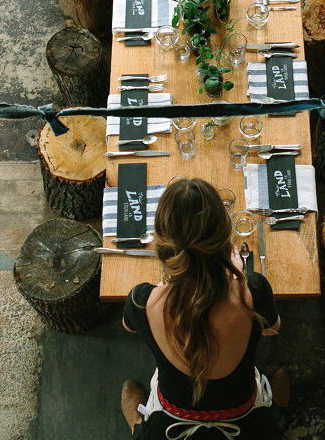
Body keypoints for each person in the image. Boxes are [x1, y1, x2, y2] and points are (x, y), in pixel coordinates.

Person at [120, 177, 290, 439]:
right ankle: (277, 412)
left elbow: (128, 326)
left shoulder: (143, 302)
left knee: (133, 398)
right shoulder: (253, 292)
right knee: (272, 413)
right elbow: (272, 330)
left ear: (165, 246)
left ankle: (138, 423)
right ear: (224, 238)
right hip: (244, 420)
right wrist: (238, 277)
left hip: (172, 423)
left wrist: (166, 283)